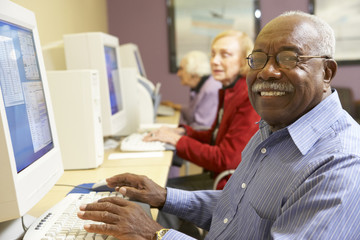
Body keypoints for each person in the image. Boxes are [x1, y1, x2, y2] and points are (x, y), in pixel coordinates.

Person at [77, 11, 360, 239]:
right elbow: (236, 209)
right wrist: (164, 196)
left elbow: (224, 159)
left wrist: (157, 234)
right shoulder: (273, 128)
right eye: (259, 59)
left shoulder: (340, 165)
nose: (268, 71)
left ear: (327, 72)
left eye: (289, 58)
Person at [145, 30, 260, 191]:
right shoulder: (229, 90)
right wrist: (183, 133)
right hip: (218, 178)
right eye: (213, 54)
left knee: (156, 195)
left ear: (243, 61)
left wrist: (177, 141)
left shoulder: (247, 96)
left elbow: (225, 158)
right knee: (156, 189)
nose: (214, 61)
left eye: (225, 55)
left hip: (230, 189)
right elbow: (215, 137)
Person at [162, 50, 222, 129]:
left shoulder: (210, 89)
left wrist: (175, 132)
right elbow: (194, 112)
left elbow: (202, 127)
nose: (178, 74)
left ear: (194, 72)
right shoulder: (202, 86)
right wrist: (175, 106)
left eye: (181, 69)